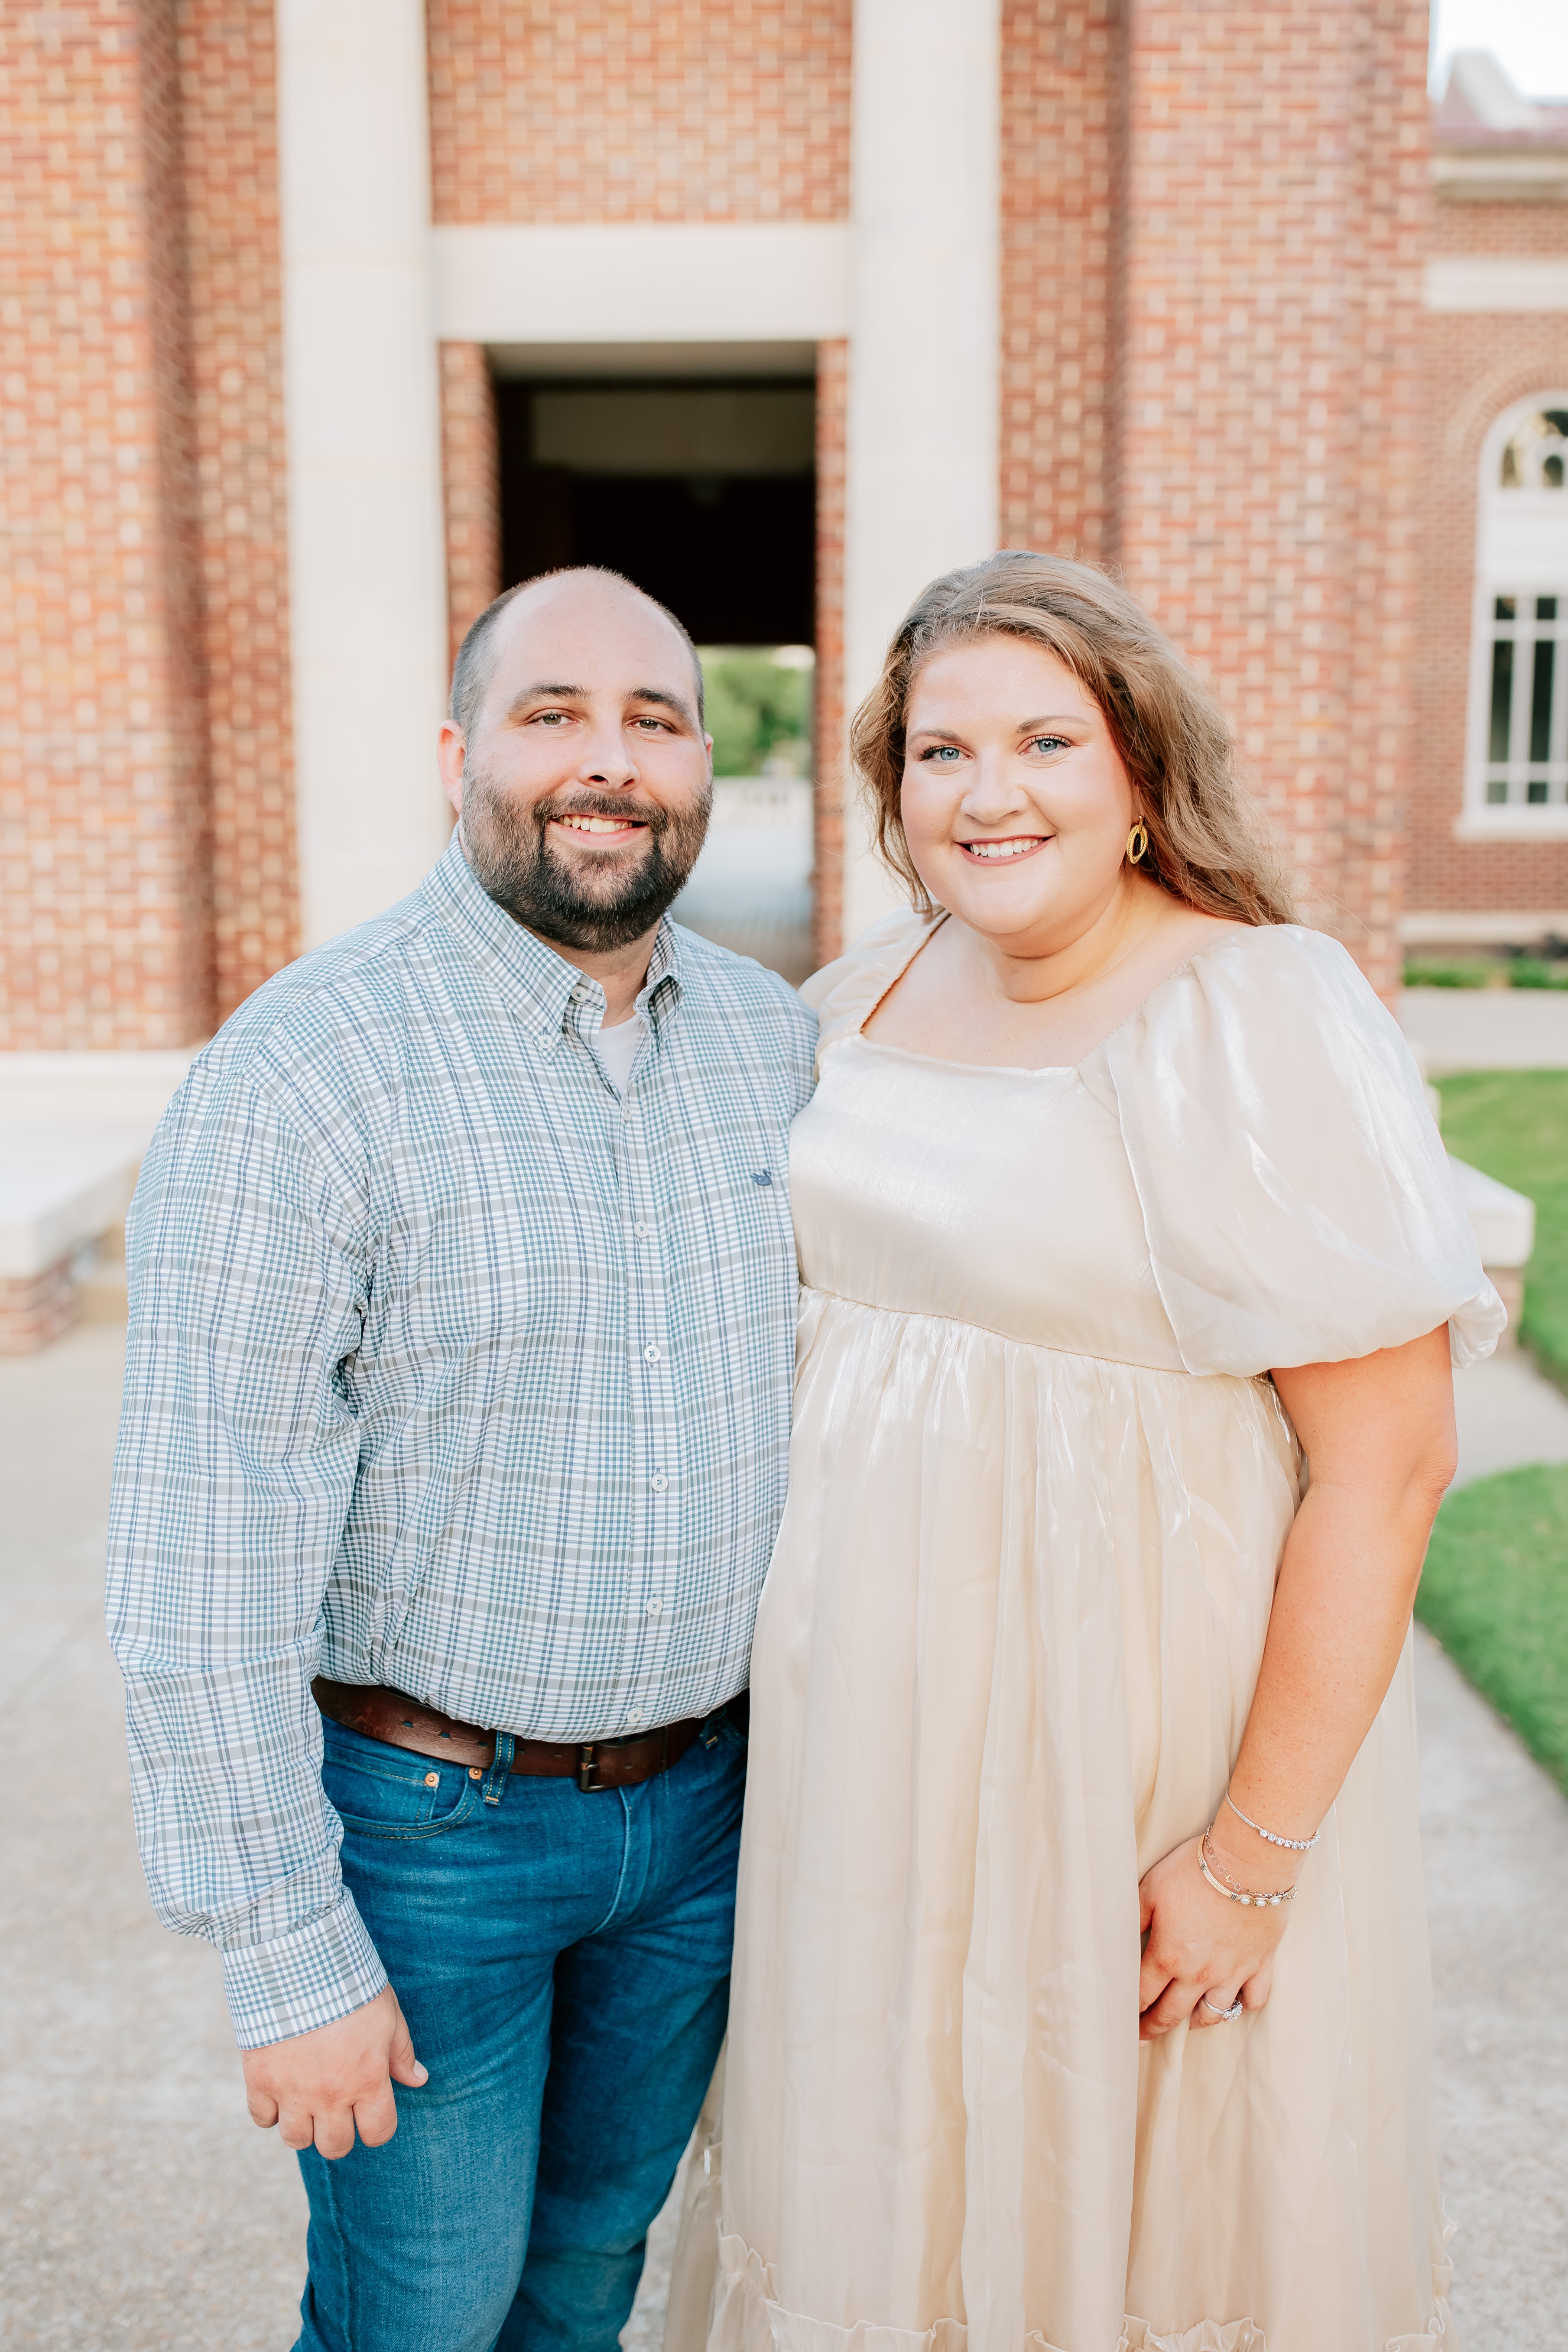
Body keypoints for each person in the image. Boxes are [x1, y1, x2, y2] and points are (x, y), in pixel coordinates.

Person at [682, 552, 1502, 2352]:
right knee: (884, 2181)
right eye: (941, 751)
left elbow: (1386, 1469)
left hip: (1127, 1749)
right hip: (864, 1753)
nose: (990, 793)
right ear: (892, 787)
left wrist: (1246, 1856)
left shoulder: (1255, 1015)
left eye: (1045, 740)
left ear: (1139, 765)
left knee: (1122, 2194)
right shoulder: (859, 994)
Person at [104, 568, 816, 2352]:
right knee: (415, 2322)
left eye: (655, 720)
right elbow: (203, 1553)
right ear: (456, 755)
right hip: (431, 1841)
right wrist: (288, 1955)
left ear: (702, 767)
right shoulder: (305, 1071)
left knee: (585, 2285)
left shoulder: (773, 1043)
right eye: (551, 713)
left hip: (704, 1821)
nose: (609, 759)